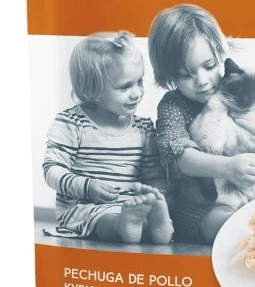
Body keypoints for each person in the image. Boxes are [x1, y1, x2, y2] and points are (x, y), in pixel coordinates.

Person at [148, 5, 255, 244]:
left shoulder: (239, 90)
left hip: (254, 189)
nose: (202, 81)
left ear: (221, 55)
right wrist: (227, 167)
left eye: (209, 66)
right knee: (224, 224)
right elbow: (179, 157)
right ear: (169, 75)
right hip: (205, 203)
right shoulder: (173, 105)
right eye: (186, 74)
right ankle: (250, 230)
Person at [42, 31, 173, 244]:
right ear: (93, 90)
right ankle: (123, 226)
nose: (137, 93)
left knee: (144, 219)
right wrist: (87, 186)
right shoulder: (72, 123)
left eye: (139, 82)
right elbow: (52, 170)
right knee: (105, 221)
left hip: (131, 206)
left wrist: (156, 195)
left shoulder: (143, 128)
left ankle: (155, 226)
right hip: (85, 206)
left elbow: (154, 175)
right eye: (125, 86)